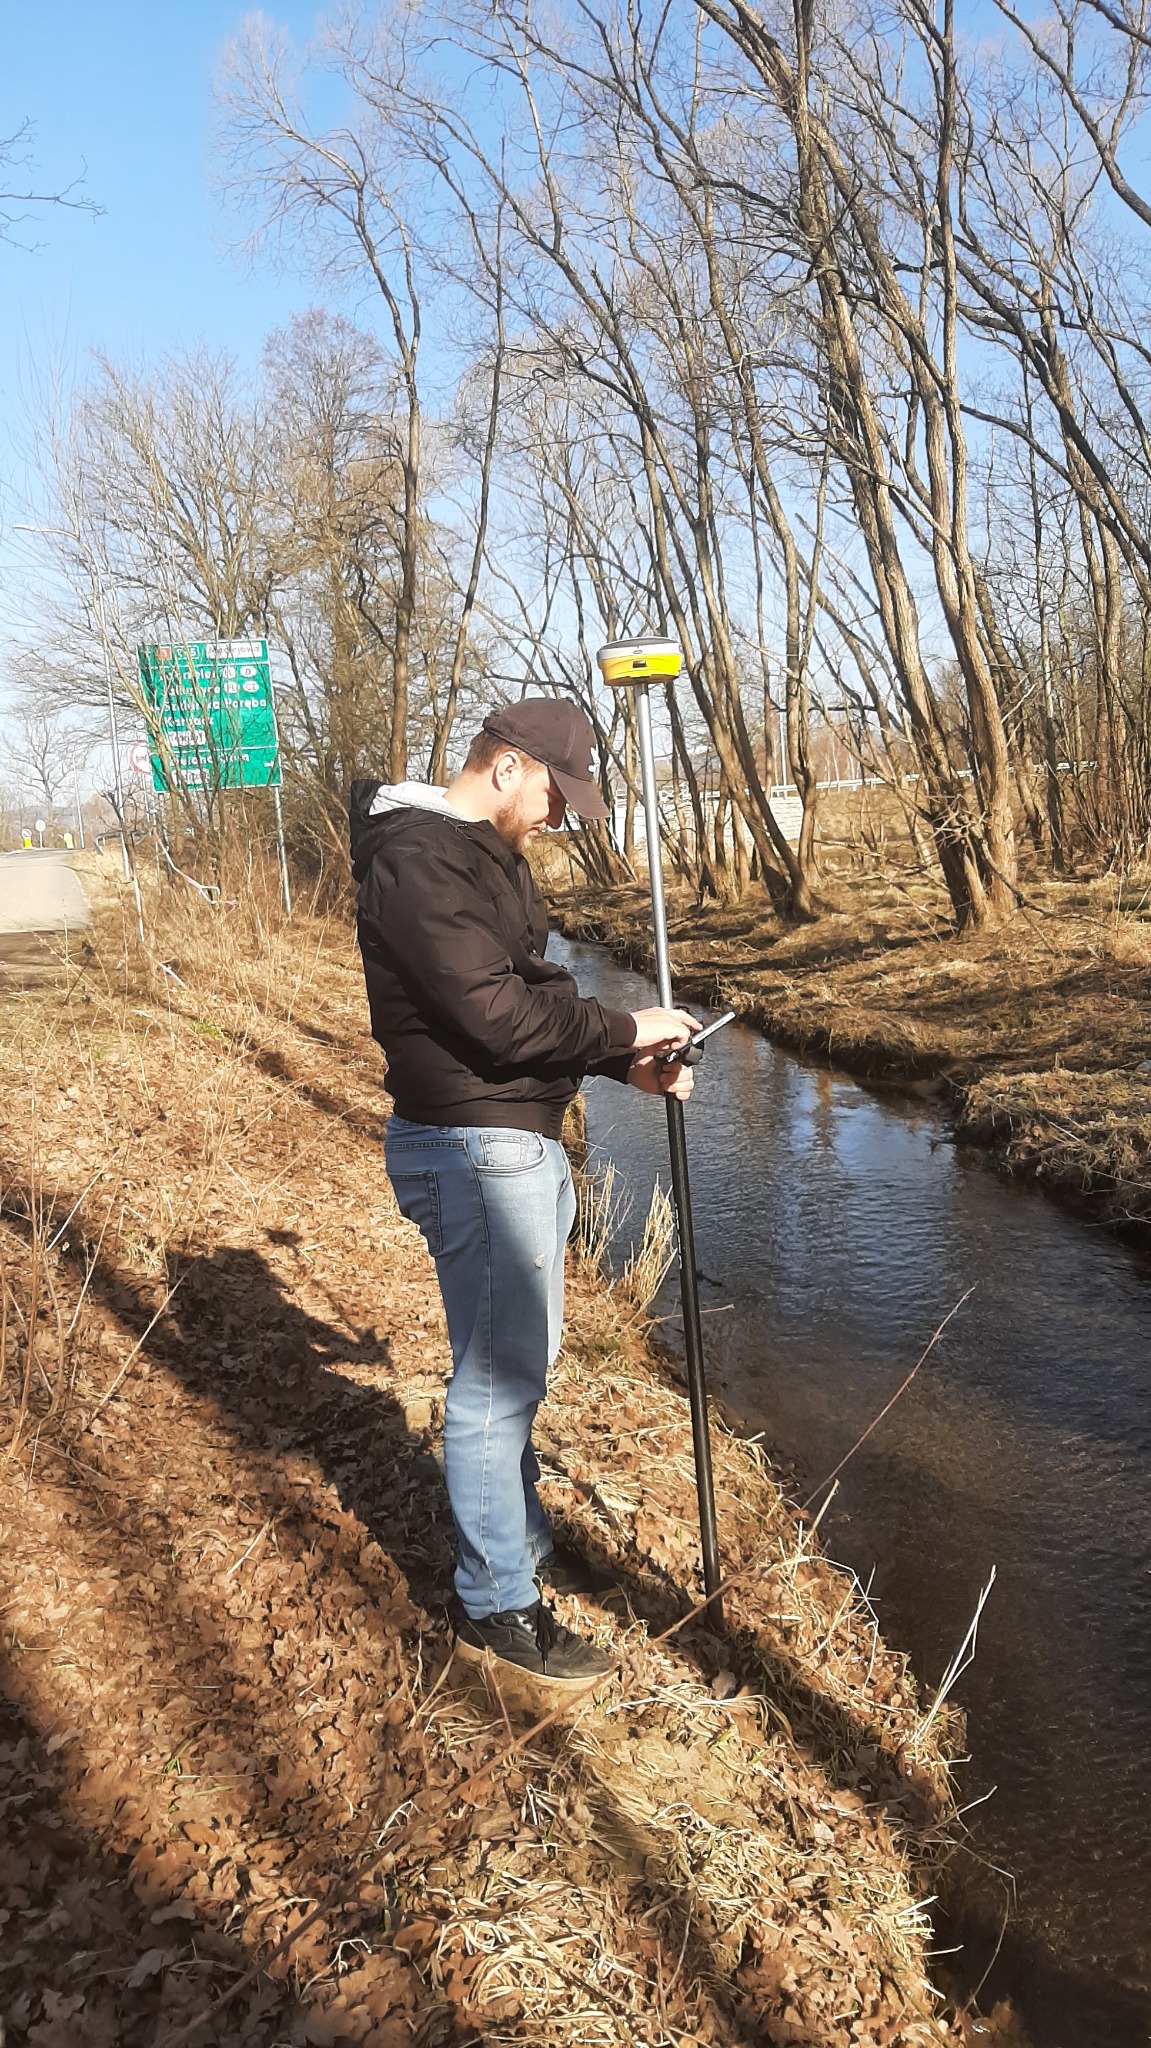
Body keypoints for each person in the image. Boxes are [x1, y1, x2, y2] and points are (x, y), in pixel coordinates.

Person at [351, 696, 698, 1691]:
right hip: (474, 1149)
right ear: (506, 766)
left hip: (510, 1139)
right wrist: (625, 1029)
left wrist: (622, 1066)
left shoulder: (478, 855)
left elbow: (535, 991)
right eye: (554, 794)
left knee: (519, 1366)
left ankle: (520, 1540)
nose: (556, 817)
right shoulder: (417, 858)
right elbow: (493, 1015)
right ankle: (495, 1605)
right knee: (496, 1382)